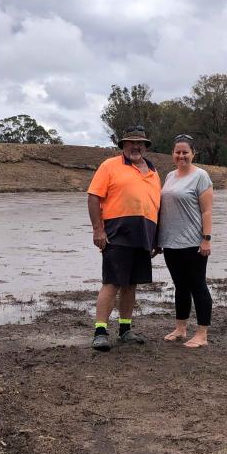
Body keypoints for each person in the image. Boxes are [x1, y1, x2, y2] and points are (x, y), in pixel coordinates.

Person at [87, 125, 161, 351]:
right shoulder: (109, 166)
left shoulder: (153, 171)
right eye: (131, 143)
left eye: (140, 143)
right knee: (112, 282)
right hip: (116, 233)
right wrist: (98, 229)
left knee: (131, 284)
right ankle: (100, 331)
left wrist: (157, 238)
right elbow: (93, 197)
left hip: (144, 236)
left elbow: (156, 206)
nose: (135, 146)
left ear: (146, 147)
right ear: (123, 145)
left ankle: (125, 329)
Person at [158, 134, 213, 348]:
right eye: (177, 152)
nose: (181, 156)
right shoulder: (170, 176)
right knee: (180, 286)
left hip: (193, 242)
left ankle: (202, 334)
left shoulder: (201, 176)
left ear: (193, 153)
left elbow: (207, 212)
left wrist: (206, 239)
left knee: (198, 286)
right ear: (173, 154)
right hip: (171, 242)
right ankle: (180, 328)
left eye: (185, 152)